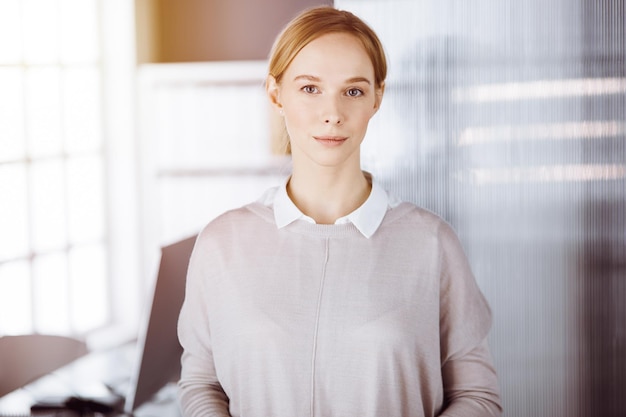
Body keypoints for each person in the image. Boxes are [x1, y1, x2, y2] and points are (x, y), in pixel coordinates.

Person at [177, 5, 502, 417]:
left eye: (353, 91)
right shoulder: (222, 244)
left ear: (376, 99)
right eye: (310, 88)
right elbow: (202, 384)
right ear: (276, 94)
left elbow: (478, 397)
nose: (332, 113)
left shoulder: (431, 243)